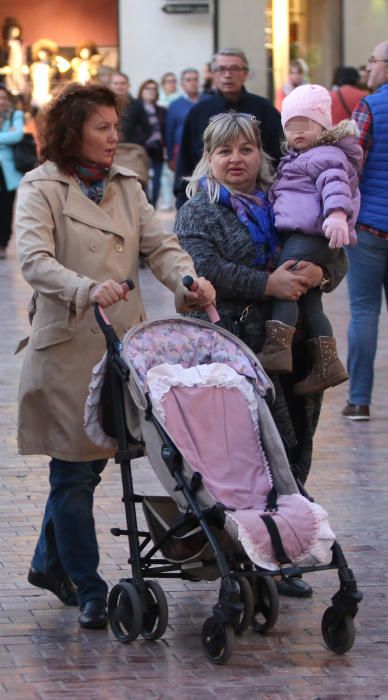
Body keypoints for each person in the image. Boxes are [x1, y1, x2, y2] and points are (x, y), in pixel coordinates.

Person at [15, 82, 215, 630]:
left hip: (124, 345)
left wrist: (187, 279)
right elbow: (33, 260)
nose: (113, 137)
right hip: (67, 348)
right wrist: (85, 287)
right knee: (74, 472)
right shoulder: (41, 187)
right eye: (101, 127)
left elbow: (159, 244)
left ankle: (45, 563)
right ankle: (88, 586)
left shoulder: (126, 183)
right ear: (71, 131)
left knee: (92, 466)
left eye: (114, 126)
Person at [174, 112, 347, 597]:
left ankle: (286, 535)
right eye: (225, 151)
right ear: (209, 158)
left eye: (246, 149)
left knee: (298, 438)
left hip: (295, 343)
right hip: (235, 341)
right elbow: (207, 269)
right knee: (260, 447)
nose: (236, 159)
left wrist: (320, 277)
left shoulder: (287, 194)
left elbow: (333, 253)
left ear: (261, 155)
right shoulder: (199, 209)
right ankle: (267, 546)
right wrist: (267, 282)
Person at [260, 84, 362, 395]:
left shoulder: (325, 155)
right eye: (291, 126)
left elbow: (335, 185)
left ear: (323, 126)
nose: (298, 132)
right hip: (307, 231)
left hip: (313, 232)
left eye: (306, 124)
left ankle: (277, 349)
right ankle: (326, 364)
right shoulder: (300, 156)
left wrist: (336, 214)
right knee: (309, 298)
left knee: (287, 285)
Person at [174, 48, 283, 209]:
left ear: (246, 73)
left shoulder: (265, 109)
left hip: (259, 200)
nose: (227, 75)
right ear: (212, 73)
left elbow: (279, 156)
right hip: (209, 200)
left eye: (234, 69)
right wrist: (182, 202)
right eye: (221, 69)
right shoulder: (199, 112)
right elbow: (186, 161)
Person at [342, 40, 388, 421]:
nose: (368, 68)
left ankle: (359, 400)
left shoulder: (369, 107)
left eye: (372, 61)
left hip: (372, 227)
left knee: (363, 311)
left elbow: (350, 166)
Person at [0, 82, 24, 258]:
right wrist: (5, 138)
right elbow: (10, 137)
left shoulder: (15, 115)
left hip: (7, 170)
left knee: (6, 206)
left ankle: (3, 242)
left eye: (3, 98)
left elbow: (17, 136)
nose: (1, 101)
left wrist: (9, 137)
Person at [165, 68, 201, 172]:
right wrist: (170, 156)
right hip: (181, 150)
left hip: (205, 150)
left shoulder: (208, 101)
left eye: (195, 79)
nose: (192, 83)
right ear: (182, 84)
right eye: (189, 80)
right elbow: (169, 132)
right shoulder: (174, 105)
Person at [138, 78, 166, 206]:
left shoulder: (161, 110)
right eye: (148, 88)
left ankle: (152, 206)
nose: (151, 91)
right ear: (142, 91)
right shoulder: (136, 108)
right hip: (141, 150)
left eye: (154, 89)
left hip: (157, 149)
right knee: (141, 181)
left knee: (157, 182)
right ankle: (143, 207)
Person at [110, 71, 151, 146]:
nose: (119, 86)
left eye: (122, 83)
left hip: (129, 149)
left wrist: (135, 143)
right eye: (116, 83)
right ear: (110, 86)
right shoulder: (104, 104)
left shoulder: (137, 104)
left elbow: (147, 131)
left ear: (128, 86)